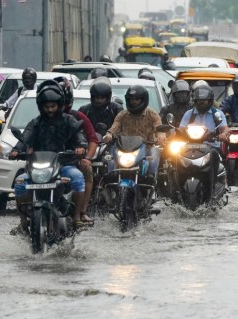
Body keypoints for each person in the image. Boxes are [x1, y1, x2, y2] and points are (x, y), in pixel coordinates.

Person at [10, 81, 89, 229]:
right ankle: (23, 222)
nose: (50, 110)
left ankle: (77, 217)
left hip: (64, 164)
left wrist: (81, 146)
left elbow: (79, 135)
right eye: (47, 107)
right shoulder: (35, 123)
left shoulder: (69, 121)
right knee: (20, 183)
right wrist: (16, 150)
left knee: (78, 178)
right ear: (41, 107)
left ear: (60, 105)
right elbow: (25, 138)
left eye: (53, 106)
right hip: (38, 167)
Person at [53, 76, 99, 225]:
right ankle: (26, 217)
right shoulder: (40, 120)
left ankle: (81, 212)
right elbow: (30, 137)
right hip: (48, 162)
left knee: (86, 168)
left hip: (72, 161)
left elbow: (92, 138)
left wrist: (87, 157)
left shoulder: (77, 118)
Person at [102, 85, 164, 184]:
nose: (133, 102)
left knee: (155, 153)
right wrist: (109, 135)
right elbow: (114, 127)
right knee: (110, 158)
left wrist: (161, 136)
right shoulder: (122, 114)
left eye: (137, 99)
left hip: (147, 147)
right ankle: (111, 180)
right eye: (131, 99)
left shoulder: (152, 114)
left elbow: (159, 127)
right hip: (124, 149)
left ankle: (150, 179)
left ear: (144, 100)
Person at [178, 85, 228, 200]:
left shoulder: (217, 114)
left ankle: (213, 187)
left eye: (204, 100)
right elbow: (181, 128)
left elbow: (225, 128)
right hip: (190, 147)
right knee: (175, 155)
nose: (201, 103)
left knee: (215, 154)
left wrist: (223, 134)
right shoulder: (189, 114)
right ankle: (177, 189)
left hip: (211, 146)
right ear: (194, 101)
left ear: (210, 100)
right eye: (199, 101)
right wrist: (176, 131)